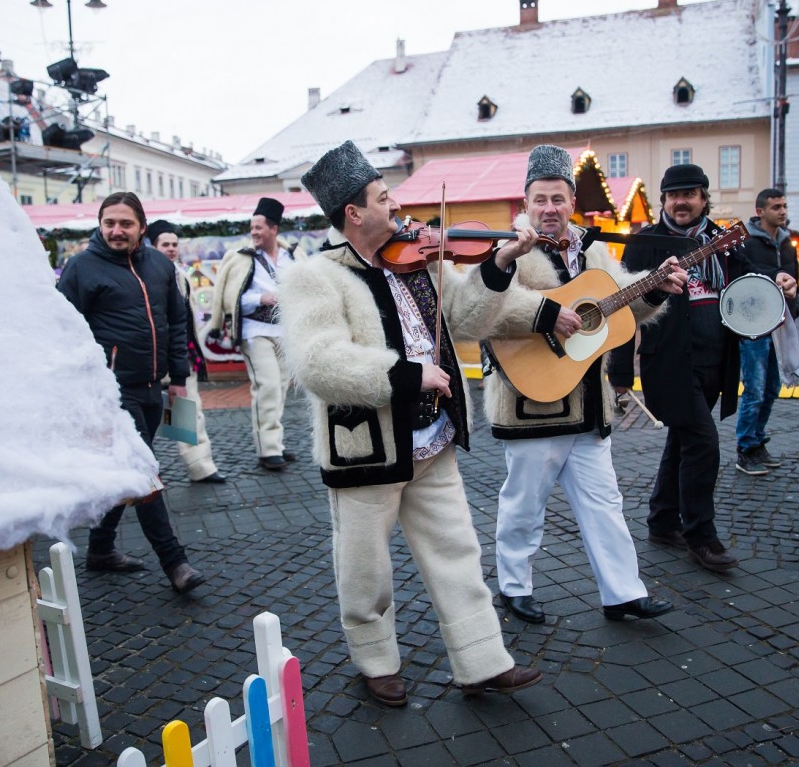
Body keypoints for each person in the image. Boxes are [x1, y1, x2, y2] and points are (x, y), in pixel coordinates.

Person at [279, 140, 542, 707]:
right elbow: (319, 361)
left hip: (435, 440)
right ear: (354, 212)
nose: (396, 204)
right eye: (383, 196)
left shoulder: (420, 259)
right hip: (368, 448)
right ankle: (375, 660)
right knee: (364, 568)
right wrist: (405, 375)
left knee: (458, 552)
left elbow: (469, 320)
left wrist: (497, 267)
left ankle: (482, 660)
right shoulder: (316, 276)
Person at [481, 145, 684, 625]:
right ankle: (513, 585)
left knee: (605, 502)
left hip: (588, 403)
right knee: (524, 503)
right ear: (525, 204)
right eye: (540, 199)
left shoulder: (594, 249)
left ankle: (623, 593)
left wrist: (652, 289)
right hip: (531, 399)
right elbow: (487, 313)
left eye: (558, 198)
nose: (549, 208)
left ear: (572, 201)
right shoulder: (507, 251)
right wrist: (548, 315)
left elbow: (617, 308)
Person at [611, 164, 768, 573]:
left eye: (690, 194)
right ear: (663, 201)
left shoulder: (722, 239)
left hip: (716, 359)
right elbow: (624, 308)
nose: (681, 201)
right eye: (673, 195)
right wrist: (621, 373)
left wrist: (784, 284)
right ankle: (701, 536)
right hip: (668, 362)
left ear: (703, 198)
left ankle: (663, 521)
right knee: (703, 442)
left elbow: (753, 287)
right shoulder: (645, 242)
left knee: (682, 440)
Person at [57, 193, 205, 593]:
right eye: (109, 223)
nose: (116, 231)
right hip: (111, 391)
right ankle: (176, 563)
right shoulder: (81, 268)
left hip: (152, 388)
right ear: (100, 224)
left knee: (127, 471)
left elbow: (176, 322)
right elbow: (62, 331)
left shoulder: (159, 264)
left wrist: (178, 376)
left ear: (141, 225)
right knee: (143, 472)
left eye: (125, 223)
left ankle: (101, 549)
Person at [209, 197, 300, 470]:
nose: (254, 233)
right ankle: (267, 449)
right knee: (267, 385)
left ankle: (276, 443)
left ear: (274, 229)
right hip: (254, 330)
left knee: (281, 387)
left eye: (259, 227)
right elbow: (230, 297)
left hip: (283, 330)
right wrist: (261, 298)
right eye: (252, 228)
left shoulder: (291, 256)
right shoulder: (240, 259)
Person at [148, 220, 226, 484]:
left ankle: (199, 467)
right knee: (145, 419)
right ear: (152, 246)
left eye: (173, 244)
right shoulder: (145, 276)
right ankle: (142, 474)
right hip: (151, 359)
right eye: (165, 244)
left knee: (187, 411)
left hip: (182, 355)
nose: (171, 249)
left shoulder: (180, 274)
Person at [733, 189, 799, 476]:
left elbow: (794, 277)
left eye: (784, 206)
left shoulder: (787, 243)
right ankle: (745, 448)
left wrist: (794, 299)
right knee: (755, 389)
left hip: (781, 322)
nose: (782, 211)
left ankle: (758, 440)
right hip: (753, 325)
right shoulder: (743, 240)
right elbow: (740, 274)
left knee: (772, 387)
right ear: (760, 211)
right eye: (776, 207)